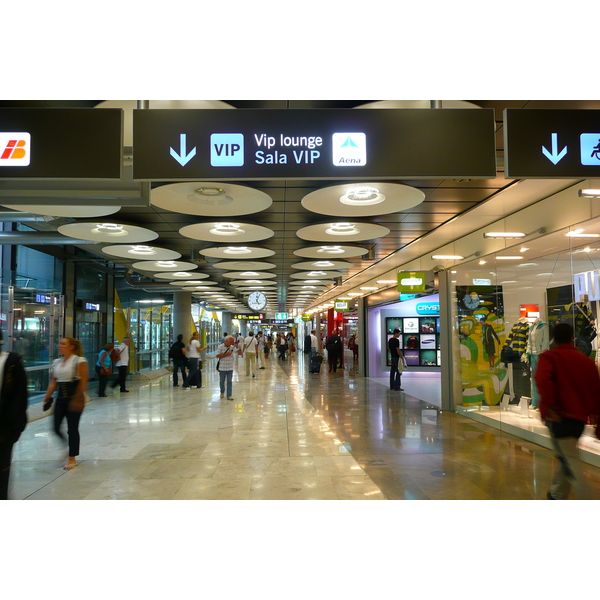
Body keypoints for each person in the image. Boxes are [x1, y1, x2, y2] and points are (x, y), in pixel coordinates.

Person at [534, 322, 600, 499]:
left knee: (569, 460)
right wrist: (595, 415)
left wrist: (551, 407)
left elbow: (543, 381)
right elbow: (595, 388)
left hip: (559, 417)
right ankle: (556, 494)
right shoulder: (585, 361)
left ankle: (588, 499)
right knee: (567, 456)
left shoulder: (549, 357)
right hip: (578, 419)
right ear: (572, 338)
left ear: (554, 338)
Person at [43, 337, 88, 470]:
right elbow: (54, 382)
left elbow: (83, 381)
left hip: (74, 397)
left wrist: (77, 399)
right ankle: (67, 447)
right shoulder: (57, 362)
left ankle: (72, 457)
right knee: (56, 427)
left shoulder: (79, 361)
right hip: (60, 398)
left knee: (72, 428)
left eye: (63, 344)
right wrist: (47, 397)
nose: (59, 346)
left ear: (71, 347)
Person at [0, 329, 28, 500]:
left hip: (4, 429)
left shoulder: (11, 362)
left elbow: (20, 397)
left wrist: (11, 428)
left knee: (2, 469)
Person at [216, 335, 236, 400]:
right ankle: (222, 392)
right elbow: (217, 356)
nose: (231, 343)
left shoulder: (232, 347)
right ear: (226, 341)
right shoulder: (220, 347)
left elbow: (239, 352)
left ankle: (229, 395)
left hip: (230, 367)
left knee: (229, 381)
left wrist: (241, 349)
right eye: (231, 341)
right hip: (222, 367)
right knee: (222, 381)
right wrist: (226, 354)